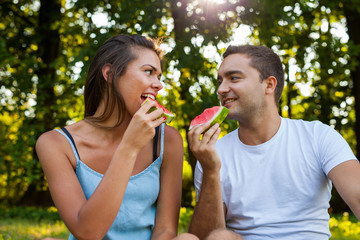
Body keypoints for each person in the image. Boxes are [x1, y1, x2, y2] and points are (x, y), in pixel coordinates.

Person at [187, 44, 360, 240]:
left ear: (269, 85)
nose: (221, 89)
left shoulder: (318, 136)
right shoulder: (214, 153)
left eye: (234, 78)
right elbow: (206, 236)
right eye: (220, 81)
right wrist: (210, 171)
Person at [36, 34, 196, 240]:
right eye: (149, 72)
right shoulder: (55, 144)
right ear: (110, 74)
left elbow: (165, 230)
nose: (158, 84)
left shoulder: (167, 140)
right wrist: (129, 147)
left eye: (159, 76)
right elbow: (87, 232)